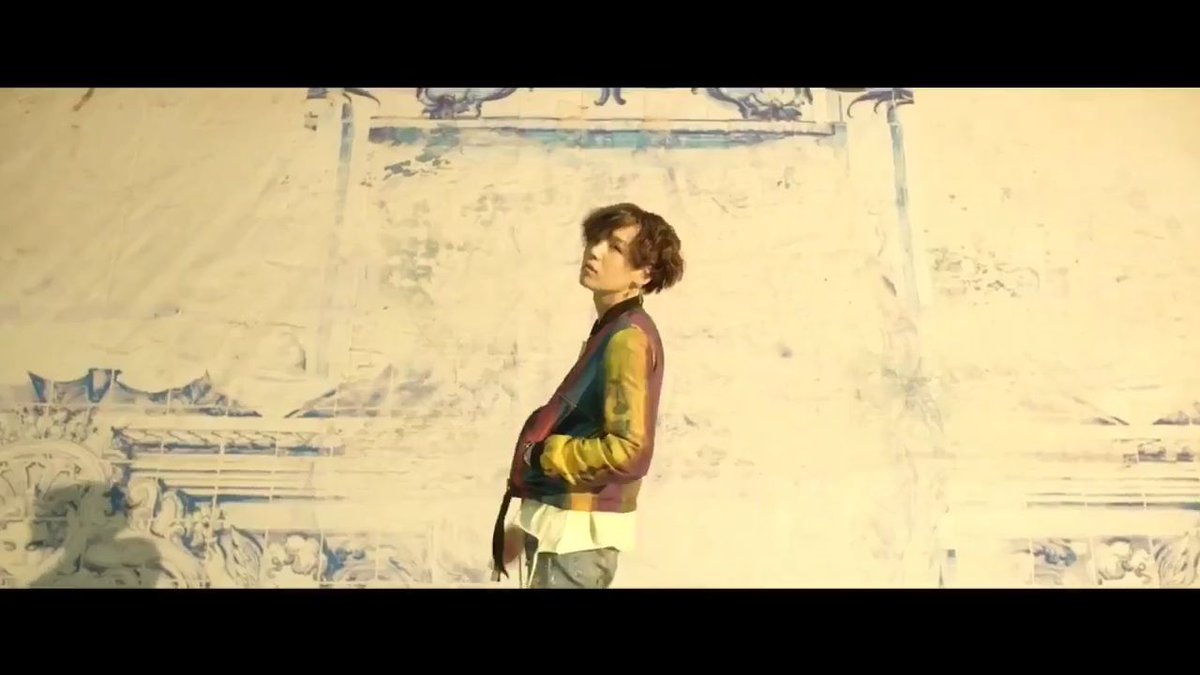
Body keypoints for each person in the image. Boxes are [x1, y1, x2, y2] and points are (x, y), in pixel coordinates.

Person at [490, 203, 685, 589]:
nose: (594, 251)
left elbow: (630, 451)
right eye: (595, 240)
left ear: (644, 273)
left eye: (615, 247)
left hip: (576, 539)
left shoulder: (627, 338)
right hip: (565, 530)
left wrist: (545, 455)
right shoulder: (613, 330)